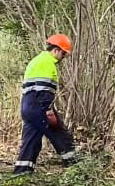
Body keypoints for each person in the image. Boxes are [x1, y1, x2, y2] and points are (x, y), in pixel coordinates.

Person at [13, 33, 78, 175]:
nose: (63, 58)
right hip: (39, 107)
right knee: (62, 135)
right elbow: (44, 89)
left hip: (27, 106)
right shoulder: (47, 63)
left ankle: (22, 171)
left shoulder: (35, 61)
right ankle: (75, 169)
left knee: (31, 140)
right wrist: (48, 110)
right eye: (63, 54)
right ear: (56, 50)